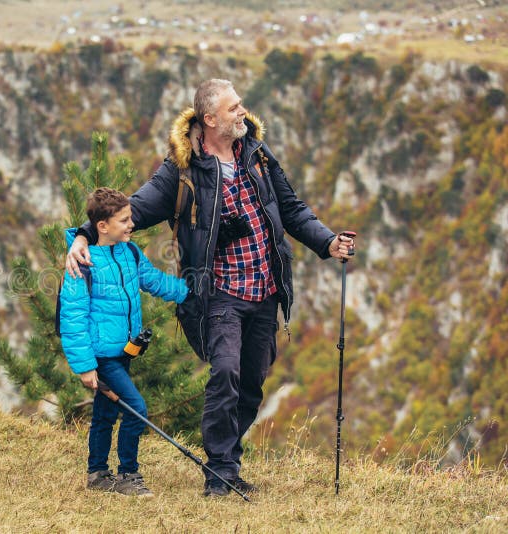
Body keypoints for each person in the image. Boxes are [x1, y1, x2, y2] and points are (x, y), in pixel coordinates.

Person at [66, 79, 355, 497]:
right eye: (234, 107)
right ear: (210, 118)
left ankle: (229, 462)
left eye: (241, 104)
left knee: (252, 382)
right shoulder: (180, 171)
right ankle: (220, 474)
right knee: (226, 374)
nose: (243, 112)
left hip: (264, 289)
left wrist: (327, 241)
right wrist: (82, 236)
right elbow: (133, 210)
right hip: (218, 294)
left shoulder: (256, 153)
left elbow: (290, 207)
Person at [59, 187, 190, 497]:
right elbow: (73, 318)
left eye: (130, 218)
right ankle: (128, 475)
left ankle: (97, 474)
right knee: (136, 408)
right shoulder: (82, 263)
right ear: (102, 226)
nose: (132, 224)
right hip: (102, 356)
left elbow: (153, 281)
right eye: (124, 220)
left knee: (105, 414)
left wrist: (191, 292)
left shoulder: (129, 252)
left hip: (124, 351)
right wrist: (85, 366)